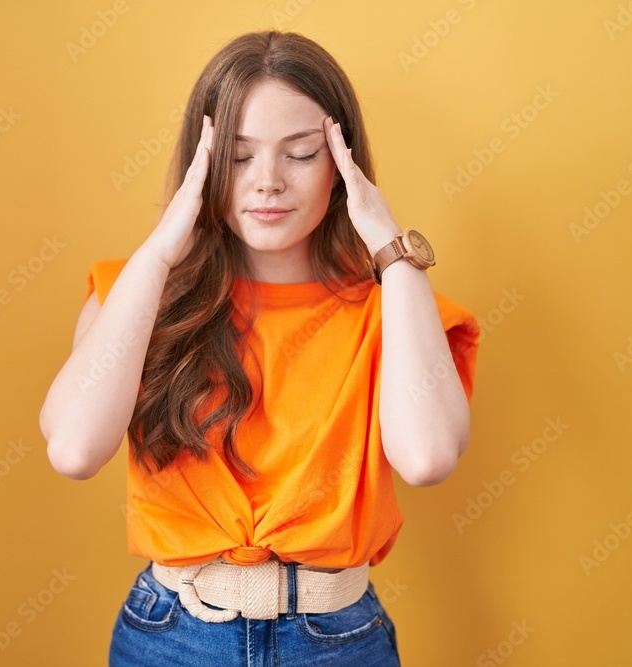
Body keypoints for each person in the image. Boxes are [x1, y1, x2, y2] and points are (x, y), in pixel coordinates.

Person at [40, 30, 480, 666]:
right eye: (239, 157)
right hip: (170, 639)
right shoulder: (131, 297)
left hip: (337, 643)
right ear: (203, 165)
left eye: (300, 153)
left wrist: (391, 248)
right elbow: (75, 449)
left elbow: (428, 457)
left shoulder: (401, 311)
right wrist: (163, 250)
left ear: (342, 166)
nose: (268, 182)